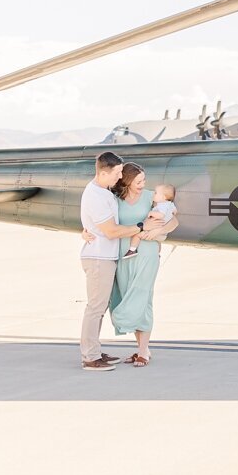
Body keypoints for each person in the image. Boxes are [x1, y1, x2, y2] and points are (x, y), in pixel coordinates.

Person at [106, 164, 179, 367]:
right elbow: (106, 224)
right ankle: (142, 348)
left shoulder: (150, 197)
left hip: (146, 254)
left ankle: (143, 351)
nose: (143, 185)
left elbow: (173, 221)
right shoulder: (114, 199)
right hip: (123, 254)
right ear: (126, 181)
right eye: (138, 181)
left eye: (144, 181)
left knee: (143, 298)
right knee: (127, 295)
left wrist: (157, 233)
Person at [80, 151, 144, 371]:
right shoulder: (95, 196)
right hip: (98, 258)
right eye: (117, 172)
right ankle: (90, 357)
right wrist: (141, 228)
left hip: (104, 256)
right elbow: (111, 231)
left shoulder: (103, 191)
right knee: (95, 308)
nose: (120, 176)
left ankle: (95, 351)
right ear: (104, 172)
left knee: (100, 306)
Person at [124, 183, 177, 258]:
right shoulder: (170, 204)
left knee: (136, 235)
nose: (153, 194)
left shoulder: (162, 206)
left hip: (152, 230)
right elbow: (175, 211)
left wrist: (151, 213)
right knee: (157, 242)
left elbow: (162, 215)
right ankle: (157, 254)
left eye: (155, 193)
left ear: (163, 197)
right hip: (162, 233)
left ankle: (132, 250)